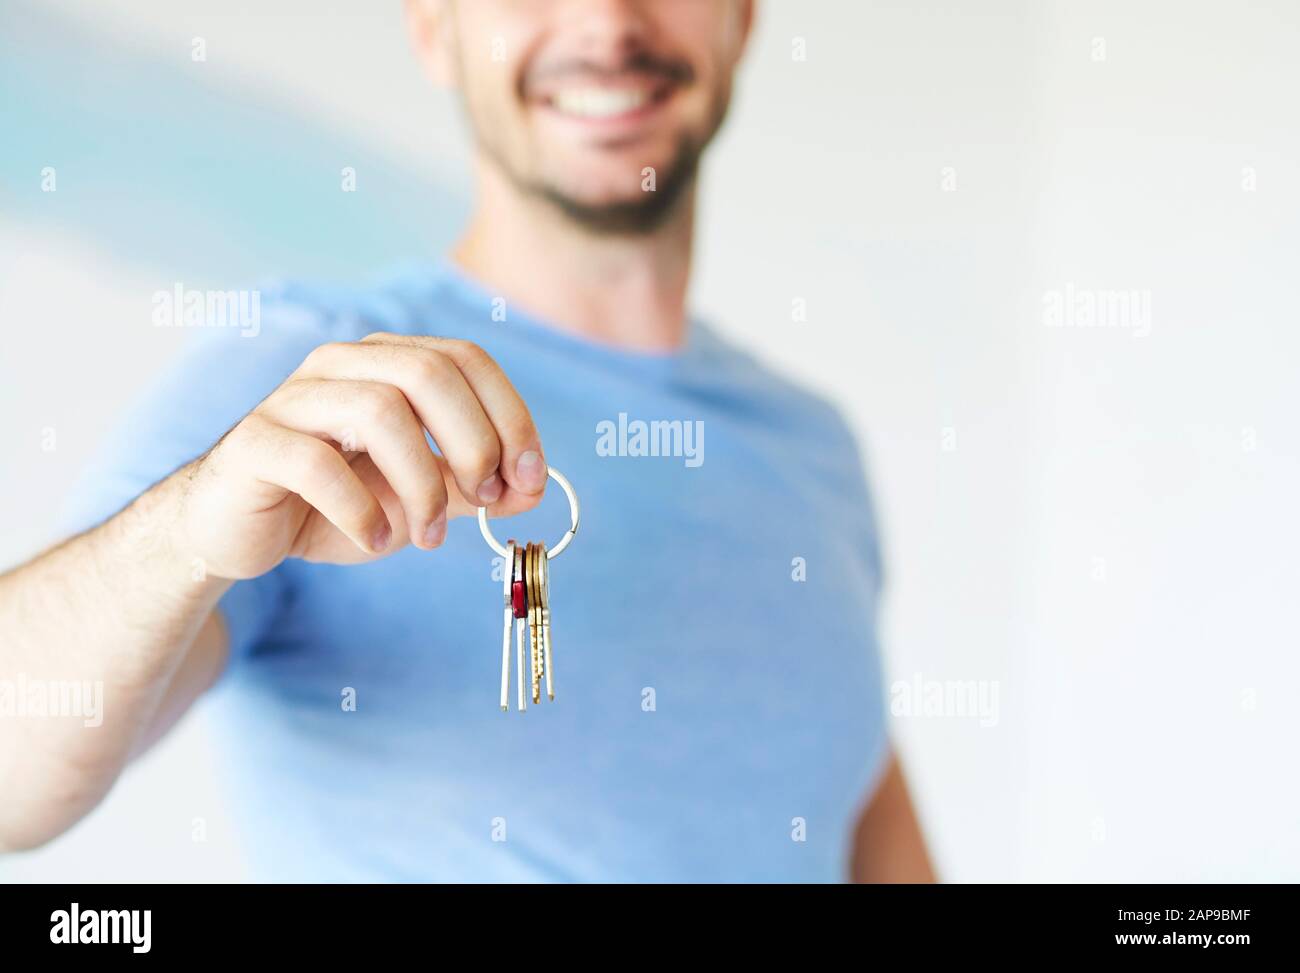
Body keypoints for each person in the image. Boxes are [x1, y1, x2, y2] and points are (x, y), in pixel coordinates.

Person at [0, 0, 933, 882]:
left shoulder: (815, 450)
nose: (607, 23)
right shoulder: (302, 384)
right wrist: (181, 540)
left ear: (742, 18)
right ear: (435, 28)